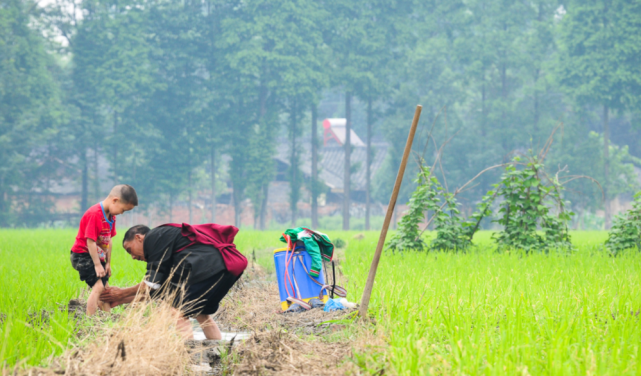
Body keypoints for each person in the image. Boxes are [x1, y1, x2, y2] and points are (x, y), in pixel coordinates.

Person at [100, 223, 247, 340]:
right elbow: (158, 291)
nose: (132, 256)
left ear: (139, 238)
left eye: (129, 249)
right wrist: (120, 300)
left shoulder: (154, 237)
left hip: (211, 266)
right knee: (202, 314)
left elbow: (150, 284)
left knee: (177, 312)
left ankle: (190, 358)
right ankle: (216, 351)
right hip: (226, 269)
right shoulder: (166, 254)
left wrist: (121, 292)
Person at [70, 184, 138, 315]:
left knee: (106, 292)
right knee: (99, 287)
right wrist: (97, 265)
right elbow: (90, 241)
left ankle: (108, 318)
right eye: (123, 210)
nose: (122, 213)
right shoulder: (94, 214)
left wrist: (107, 263)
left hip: (97, 255)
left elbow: (109, 240)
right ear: (115, 200)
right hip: (82, 255)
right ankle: (90, 320)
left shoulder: (111, 216)